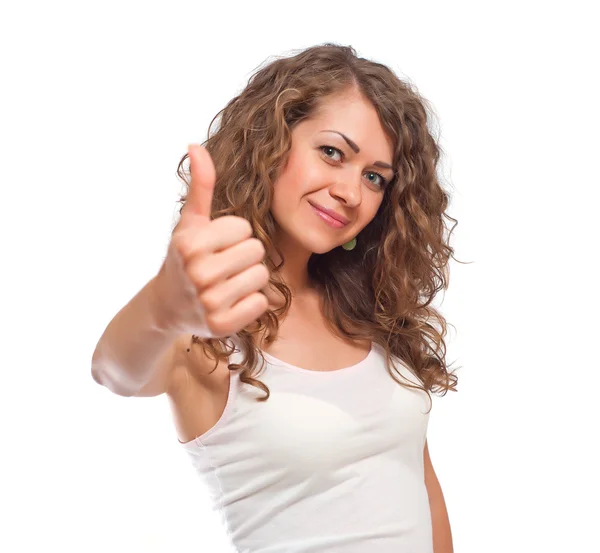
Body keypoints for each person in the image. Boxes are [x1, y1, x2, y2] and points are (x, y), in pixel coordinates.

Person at [92, 43, 459, 553]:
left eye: (375, 177)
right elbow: (115, 371)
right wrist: (161, 308)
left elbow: (419, 486)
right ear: (271, 143)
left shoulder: (367, 314)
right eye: (332, 153)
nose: (351, 192)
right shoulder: (205, 329)